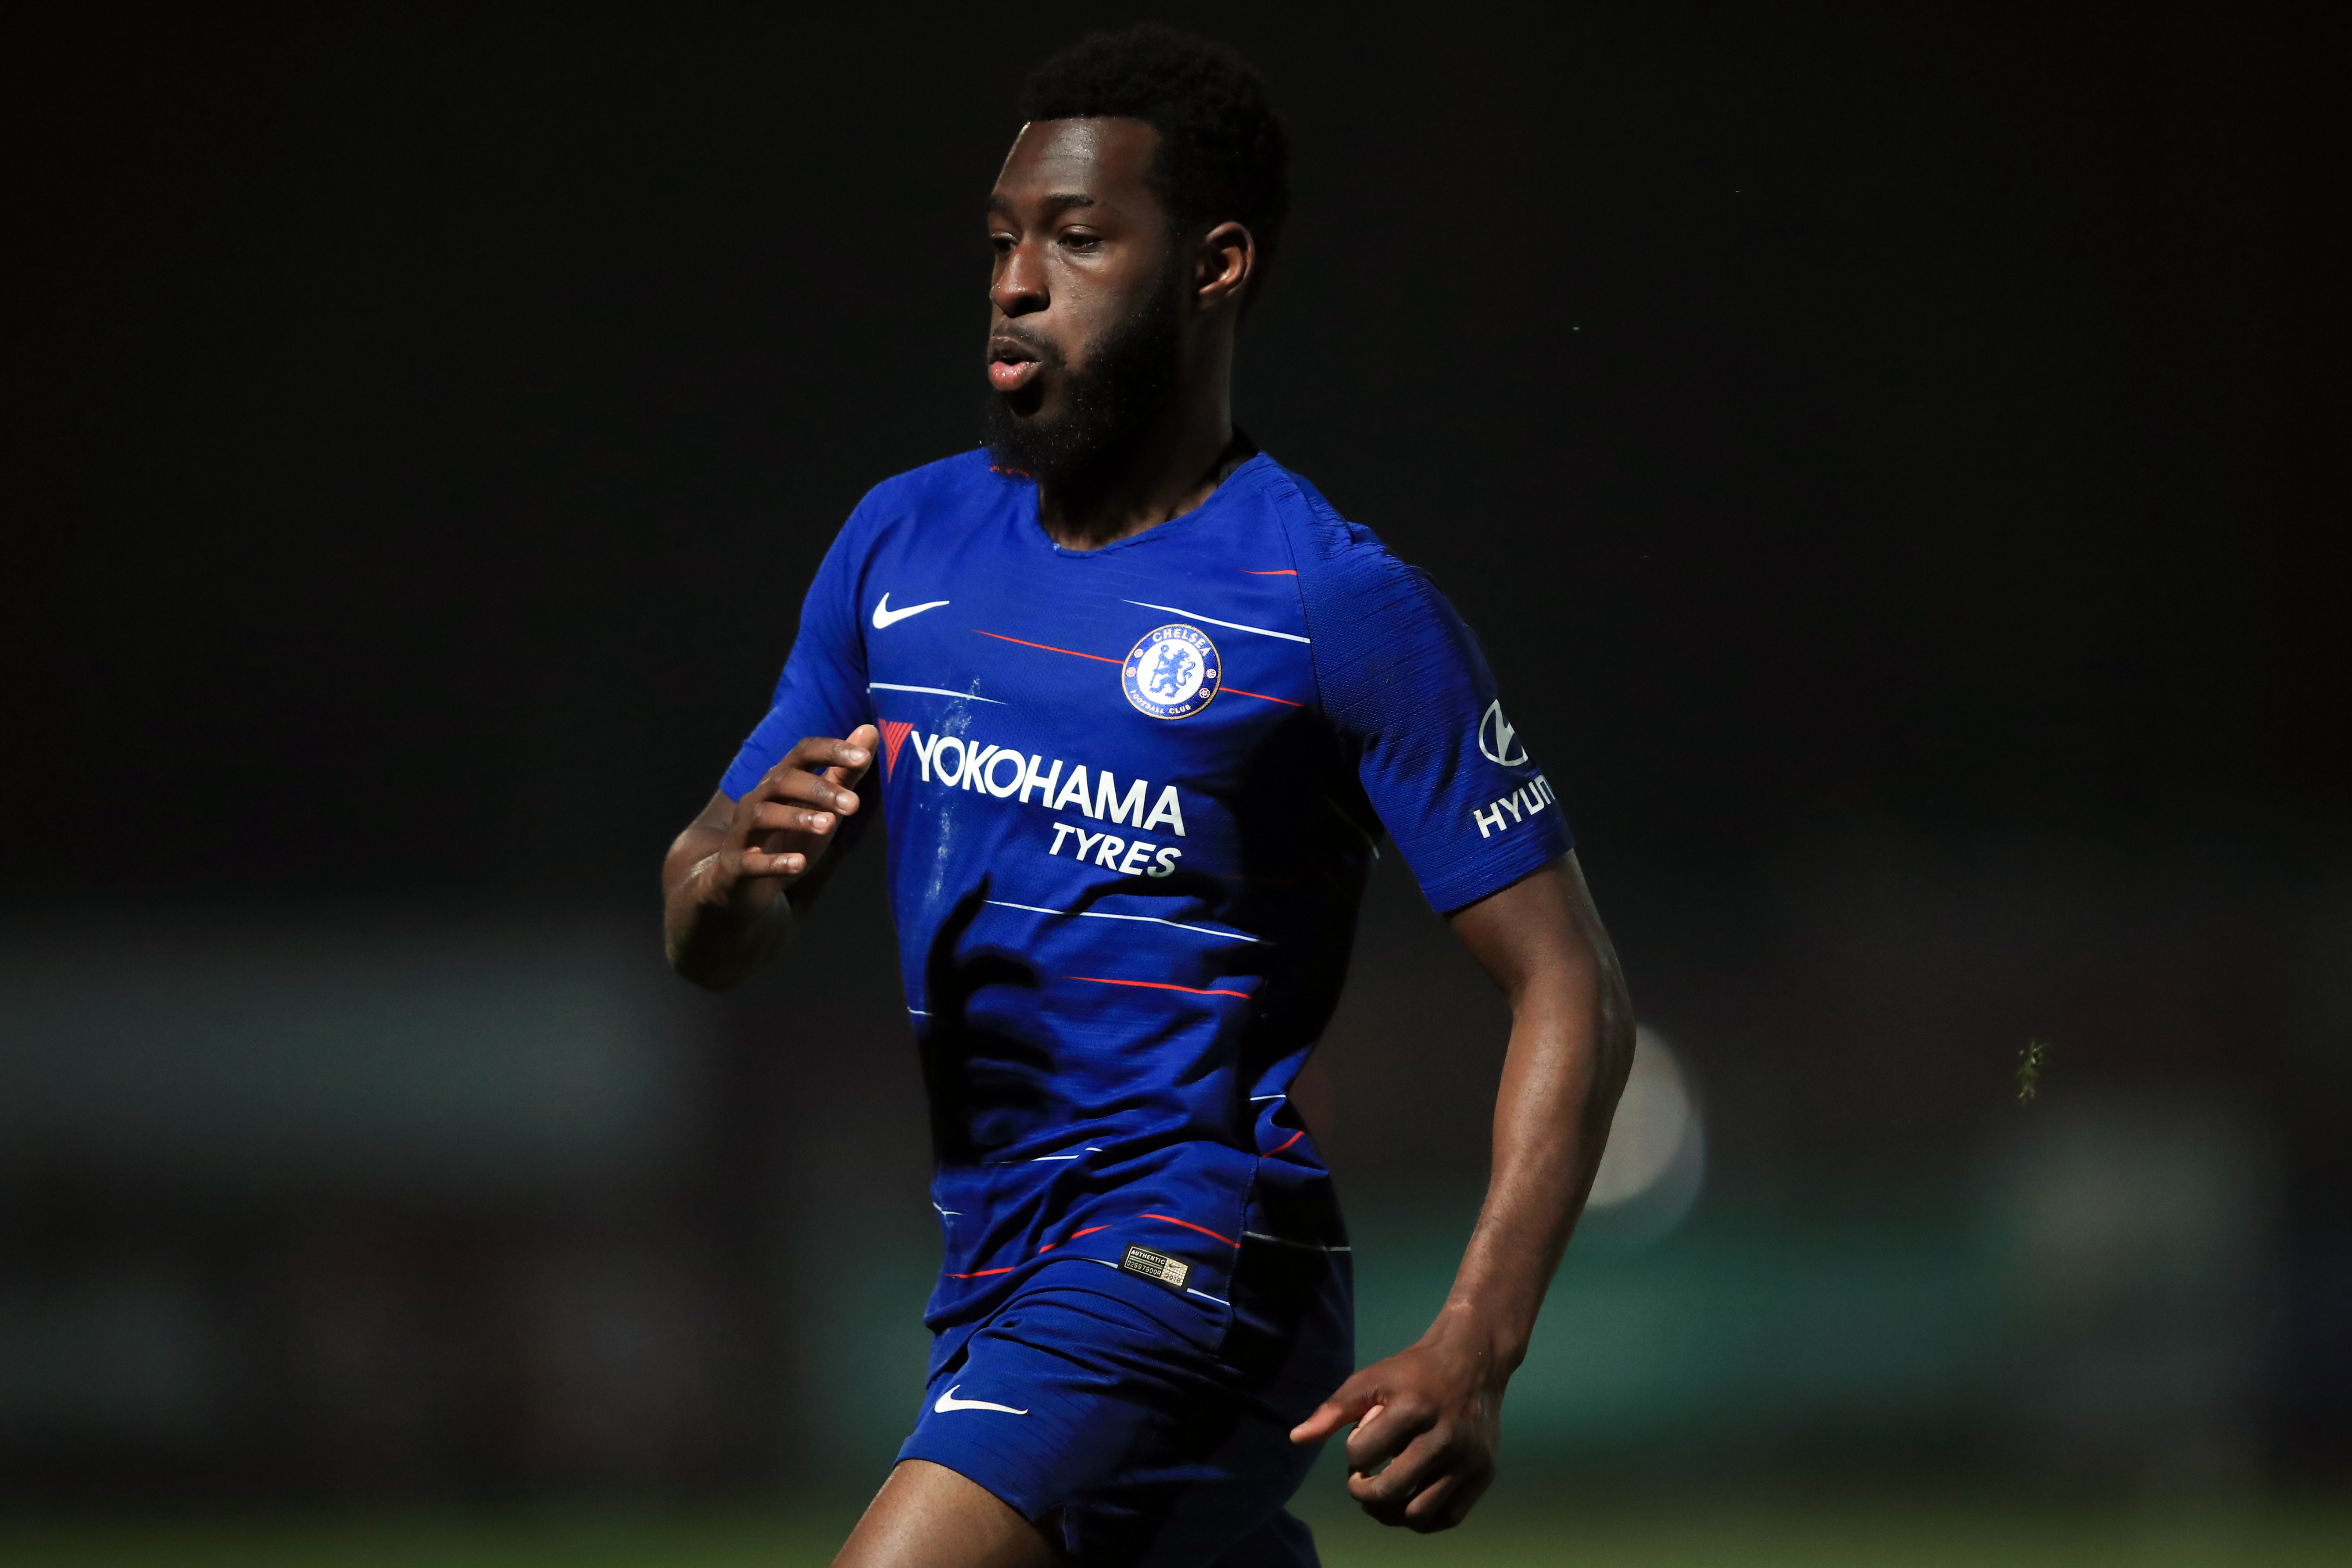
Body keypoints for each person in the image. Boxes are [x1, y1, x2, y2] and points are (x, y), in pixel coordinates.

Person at [661, 24, 1633, 1568]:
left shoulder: (1331, 603)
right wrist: (718, 888)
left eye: (1077, 236)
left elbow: (1570, 984)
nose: (1013, 281)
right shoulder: (897, 548)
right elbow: (719, 911)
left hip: (1191, 1255)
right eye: (999, 241)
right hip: (990, 1261)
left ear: (1215, 265)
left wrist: (1479, 1342)